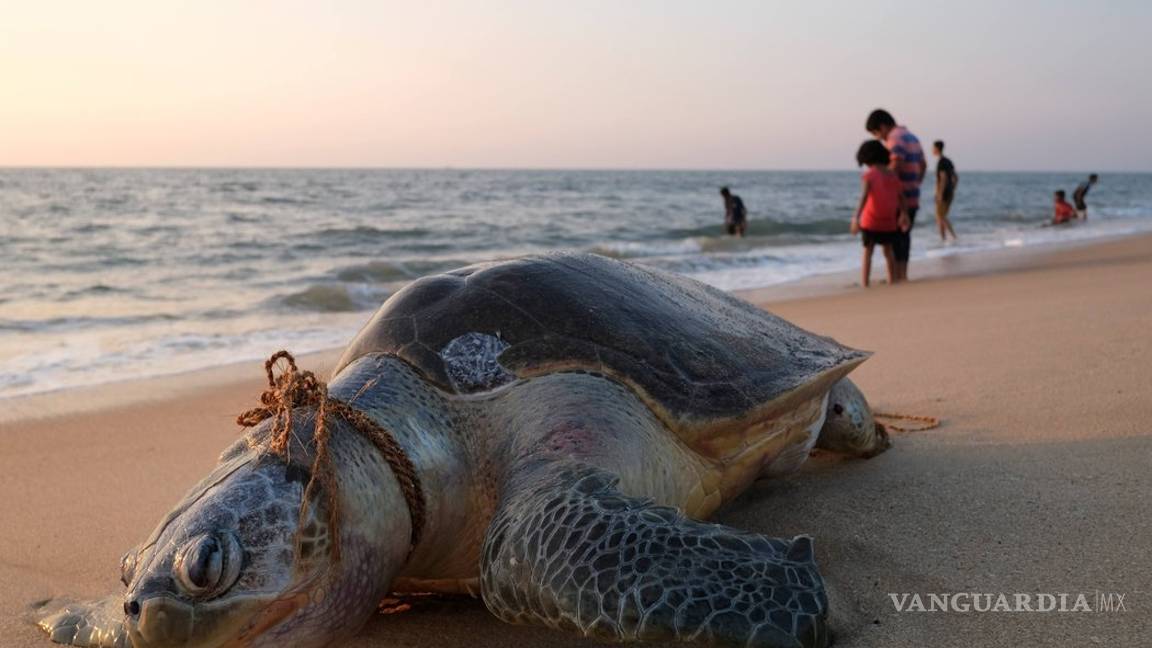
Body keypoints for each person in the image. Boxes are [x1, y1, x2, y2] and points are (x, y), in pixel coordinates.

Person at [866, 109, 926, 281]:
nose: (879, 138)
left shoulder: (895, 138)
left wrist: (880, 183)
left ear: (883, 126)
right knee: (904, 236)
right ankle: (902, 274)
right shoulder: (912, 137)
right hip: (913, 195)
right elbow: (923, 164)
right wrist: (916, 183)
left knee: (895, 238)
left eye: (876, 133)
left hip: (899, 198)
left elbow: (895, 165)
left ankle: (896, 277)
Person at [851, 140, 909, 287]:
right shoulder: (893, 176)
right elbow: (902, 198)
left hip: (870, 221)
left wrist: (855, 217)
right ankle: (891, 281)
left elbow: (864, 197)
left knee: (868, 253)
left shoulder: (869, 175)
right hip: (888, 221)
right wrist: (904, 214)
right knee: (888, 253)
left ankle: (865, 283)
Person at [931, 140, 959, 242]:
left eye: (933, 148)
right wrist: (952, 189)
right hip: (949, 192)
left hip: (943, 193)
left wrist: (940, 194)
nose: (932, 150)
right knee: (941, 216)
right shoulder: (948, 161)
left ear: (937, 148)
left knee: (940, 217)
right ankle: (945, 239)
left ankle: (952, 238)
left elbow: (943, 178)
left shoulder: (941, 162)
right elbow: (956, 178)